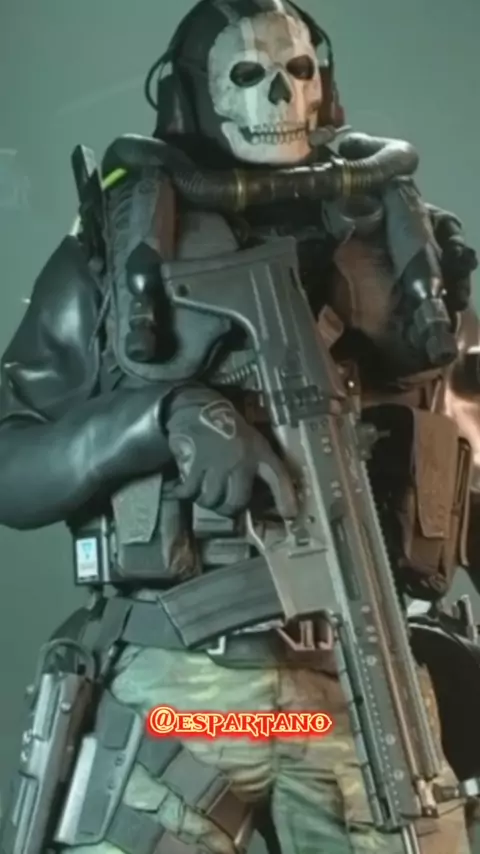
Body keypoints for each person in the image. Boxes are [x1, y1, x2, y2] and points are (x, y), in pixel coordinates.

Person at [0, 2, 478, 853]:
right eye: (248, 75)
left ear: (322, 81)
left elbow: (462, 444)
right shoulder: (125, 244)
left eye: (297, 71)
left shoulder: (399, 246)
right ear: (196, 91)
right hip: (184, 698)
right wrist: (159, 418)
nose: (279, 96)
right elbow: (13, 462)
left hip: (364, 688)